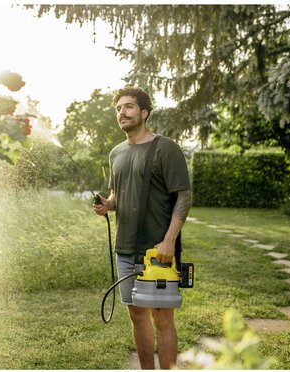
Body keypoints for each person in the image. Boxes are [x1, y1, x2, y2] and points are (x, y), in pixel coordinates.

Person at [93, 86, 192, 369]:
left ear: (144, 113)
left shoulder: (166, 148)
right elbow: (116, 197)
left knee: (163, 319)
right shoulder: (116, 154)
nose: (121, 112)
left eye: (129, 107)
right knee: (137, 316)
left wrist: (170, 241)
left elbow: (184, 196)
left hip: (157, 250)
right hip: (124, 250)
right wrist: (106, 205)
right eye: (118, 108)